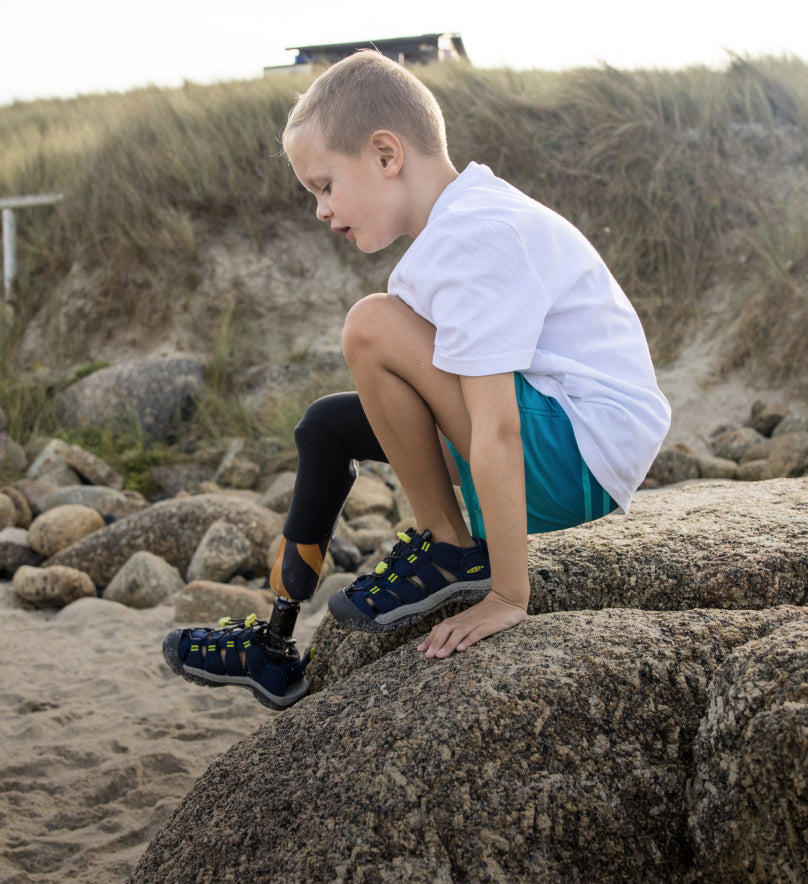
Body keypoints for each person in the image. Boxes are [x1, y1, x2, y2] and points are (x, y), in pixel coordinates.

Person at [162, 51, 671, 710]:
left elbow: (498, 425)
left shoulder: (474, 235)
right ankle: (276, 640)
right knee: (326, 425)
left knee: (371, 327)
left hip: (579, 455)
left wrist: (508, 596)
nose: (320, 210)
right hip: (567, 445)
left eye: (323, 185)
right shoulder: (456, 230)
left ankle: (450, 550)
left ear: (385, 155)